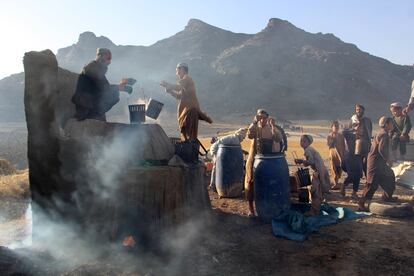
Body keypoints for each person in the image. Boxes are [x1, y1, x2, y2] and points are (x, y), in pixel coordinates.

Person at [71, 48, 132, 121]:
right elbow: (105, 88)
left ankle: (96, 114)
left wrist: (121, 85)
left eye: (110, 59)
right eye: (108, 58)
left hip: (89, 101)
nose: (109, 61)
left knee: (113, 92)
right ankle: (93, 114)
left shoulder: (96, 67)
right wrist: (121, 87)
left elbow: (104, 86)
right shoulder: (92, 68)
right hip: (85, 104)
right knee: (114, 94)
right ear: (100, 56)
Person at [244, 109, 283, 216]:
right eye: (260, 117)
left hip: (267, 160)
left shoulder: (270, 129)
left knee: (267, 183)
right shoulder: (254, 127)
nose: (262, 120)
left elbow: (278, 138)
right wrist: (254, 123)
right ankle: (251, 209)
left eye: (264, 117)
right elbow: (249, 135)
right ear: (257, 117)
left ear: (267, 118)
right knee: (250, 182)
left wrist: (273, 126)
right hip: (254, 158)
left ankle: (265, 208)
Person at [160, 63, 212, 141]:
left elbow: (178, 87)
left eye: (177, 68)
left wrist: (167, 85)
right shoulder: (184, 81)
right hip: (187, 113)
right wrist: (170, 91)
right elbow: (179, 96)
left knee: (190, 137)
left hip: (190, 112)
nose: (176, 70)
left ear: (182, 69)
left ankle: (191, 151)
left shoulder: (187, 78)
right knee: (187, 137)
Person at [358, 117, 396, 211]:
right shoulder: (384, 134)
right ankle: (361, 203)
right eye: (391, 123)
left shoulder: (381, 133)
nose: (392, 124)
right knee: (372, 184)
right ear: (386, 124)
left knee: (390, 176)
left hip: (379, 163)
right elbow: (381, 149)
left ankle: (387, 197)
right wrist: (388, 159)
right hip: (375, 163)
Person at [295, 134, 331, 215]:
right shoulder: (309, 149)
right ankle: (316, 209)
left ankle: (314, 211)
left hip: (318, 171)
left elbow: (311, 161)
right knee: (318, 191)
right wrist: (302, 160)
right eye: (301, 140)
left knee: (315, 192)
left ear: (309, 143)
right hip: (320, 170)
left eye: (304, 141)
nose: (302, 143)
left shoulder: (308, 150)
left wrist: (301, 161)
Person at [350, 104, 372, 176]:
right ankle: (358, 177)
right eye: (357, 110)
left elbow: (369, 132)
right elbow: (350, 130)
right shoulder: (353, 120)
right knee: (357, 161)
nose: (358, 111)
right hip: (357, 143)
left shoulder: (367, 120)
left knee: (366, 162)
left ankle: (367, 179)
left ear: (363, 110)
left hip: (366, 143)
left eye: (360, 109)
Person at [341, 128, 363, 199]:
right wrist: (352, 129)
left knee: (358, 175)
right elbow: (343, 132)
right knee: (352, 175)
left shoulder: (362, 138)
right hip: (349, 158)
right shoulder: (350, 136)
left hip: (358, 158)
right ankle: (344, 184)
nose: (361, 130)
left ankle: (354, 193)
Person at [326, 121, 345, 189]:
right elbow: (329, 145)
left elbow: (343, 145)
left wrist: (343, 153)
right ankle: (335, 183)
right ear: (332, 127)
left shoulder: (341, 136)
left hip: (340, 154)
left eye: (338, 126)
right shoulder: (330, 135)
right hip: (333, 153)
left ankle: (337, 181)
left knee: (339, 168)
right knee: (333, 168)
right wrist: (333, 139)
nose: (337, 128)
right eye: (335, 126)